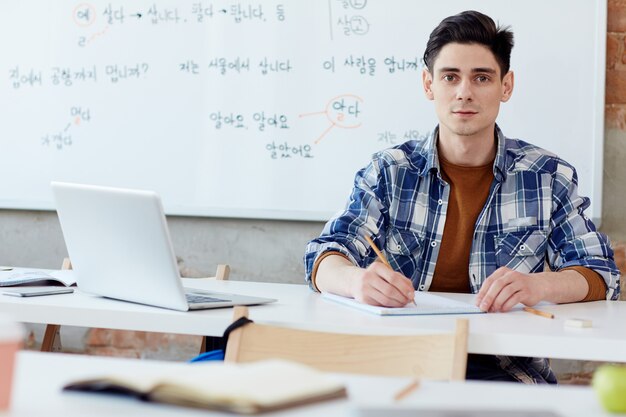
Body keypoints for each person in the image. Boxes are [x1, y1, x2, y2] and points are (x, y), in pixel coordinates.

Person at [304, 10, 621, 383]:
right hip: (396, 362)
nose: (464, 92)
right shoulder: (389, 170)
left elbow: (602, 274)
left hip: (506, 371)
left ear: (506, 86)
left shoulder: (548, 175)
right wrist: (356, 282)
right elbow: (323, 256)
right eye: (450, 77)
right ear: (428, 84)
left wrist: (538, 286)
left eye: (481, 78)